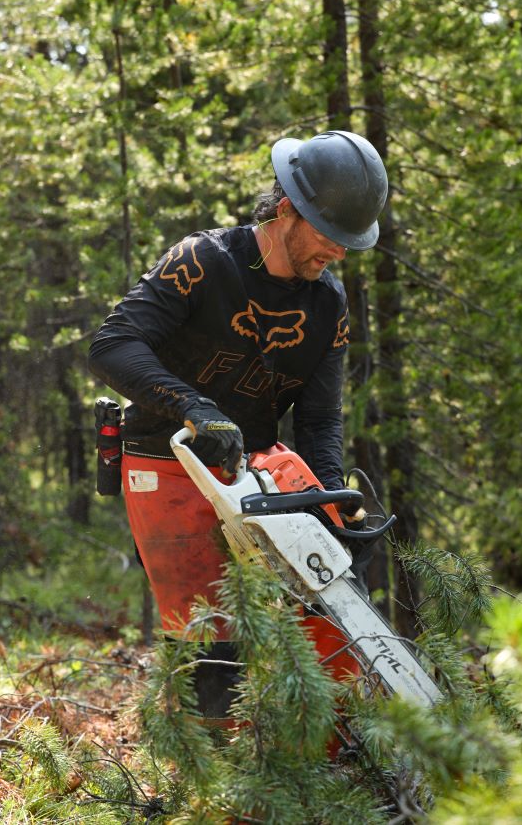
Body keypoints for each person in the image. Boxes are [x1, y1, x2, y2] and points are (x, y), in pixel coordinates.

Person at [88, 129, 388, 718]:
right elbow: (112, 345)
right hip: (165, 457)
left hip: (256, 470)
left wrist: (330, 502)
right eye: (331, 238)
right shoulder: (202, 262)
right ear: (286, 212)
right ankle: (211, 774)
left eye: (349, 244)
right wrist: (194, 408)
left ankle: (320, 747)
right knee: (211, 632)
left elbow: (322, 417)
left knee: (325, 599)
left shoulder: (328, 305)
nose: (339, 255)